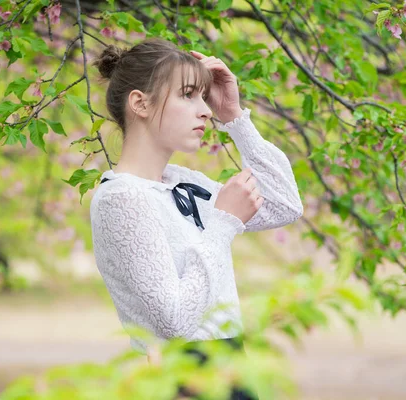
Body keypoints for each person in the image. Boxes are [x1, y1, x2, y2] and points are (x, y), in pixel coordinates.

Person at [89, 38, 303, 399]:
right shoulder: (121, 197)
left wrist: (235, 117)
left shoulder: (183, 182)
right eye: (188, 95)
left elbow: (285, 203)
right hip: (183, 377)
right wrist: (223, 223)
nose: (204, 110)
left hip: (232, 364)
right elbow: (174, 322)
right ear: (140, 103)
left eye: (203, 97)